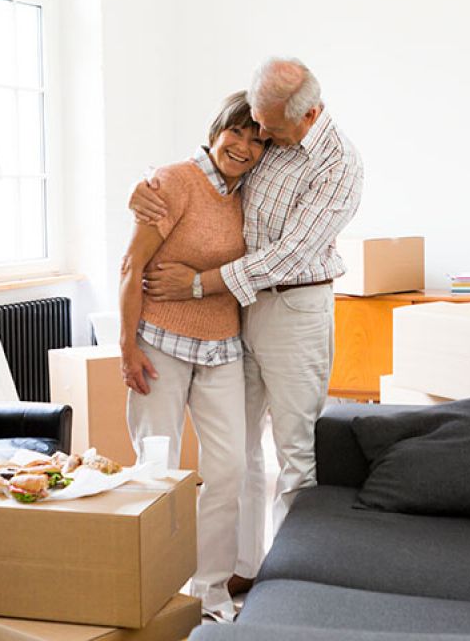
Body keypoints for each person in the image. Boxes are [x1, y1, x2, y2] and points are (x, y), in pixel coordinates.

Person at [131, 57, 363, 596]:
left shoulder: (337, 164)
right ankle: (244, 567)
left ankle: (291, 582)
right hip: (241, 310)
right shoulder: (265, 138)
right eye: (254, 123)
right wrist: (144, 189)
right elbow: (210, 171)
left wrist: (196, 284)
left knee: (294, 451)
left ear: (307, 115)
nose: (258, 135)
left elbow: (288, 257)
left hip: (292, 309)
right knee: (239, 450)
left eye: (268, 127)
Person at [119, 90, 268, 621]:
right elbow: (130, 267)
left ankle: (208, 592)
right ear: (216, 129)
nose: (244, 147)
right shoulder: (175, 181)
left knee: (227, 468)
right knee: (156, 468)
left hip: (222, 345)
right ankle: (154, 589)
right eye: (236, 133)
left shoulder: (248, 192)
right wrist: (127, 347)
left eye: (256, 140)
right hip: (159, 343)